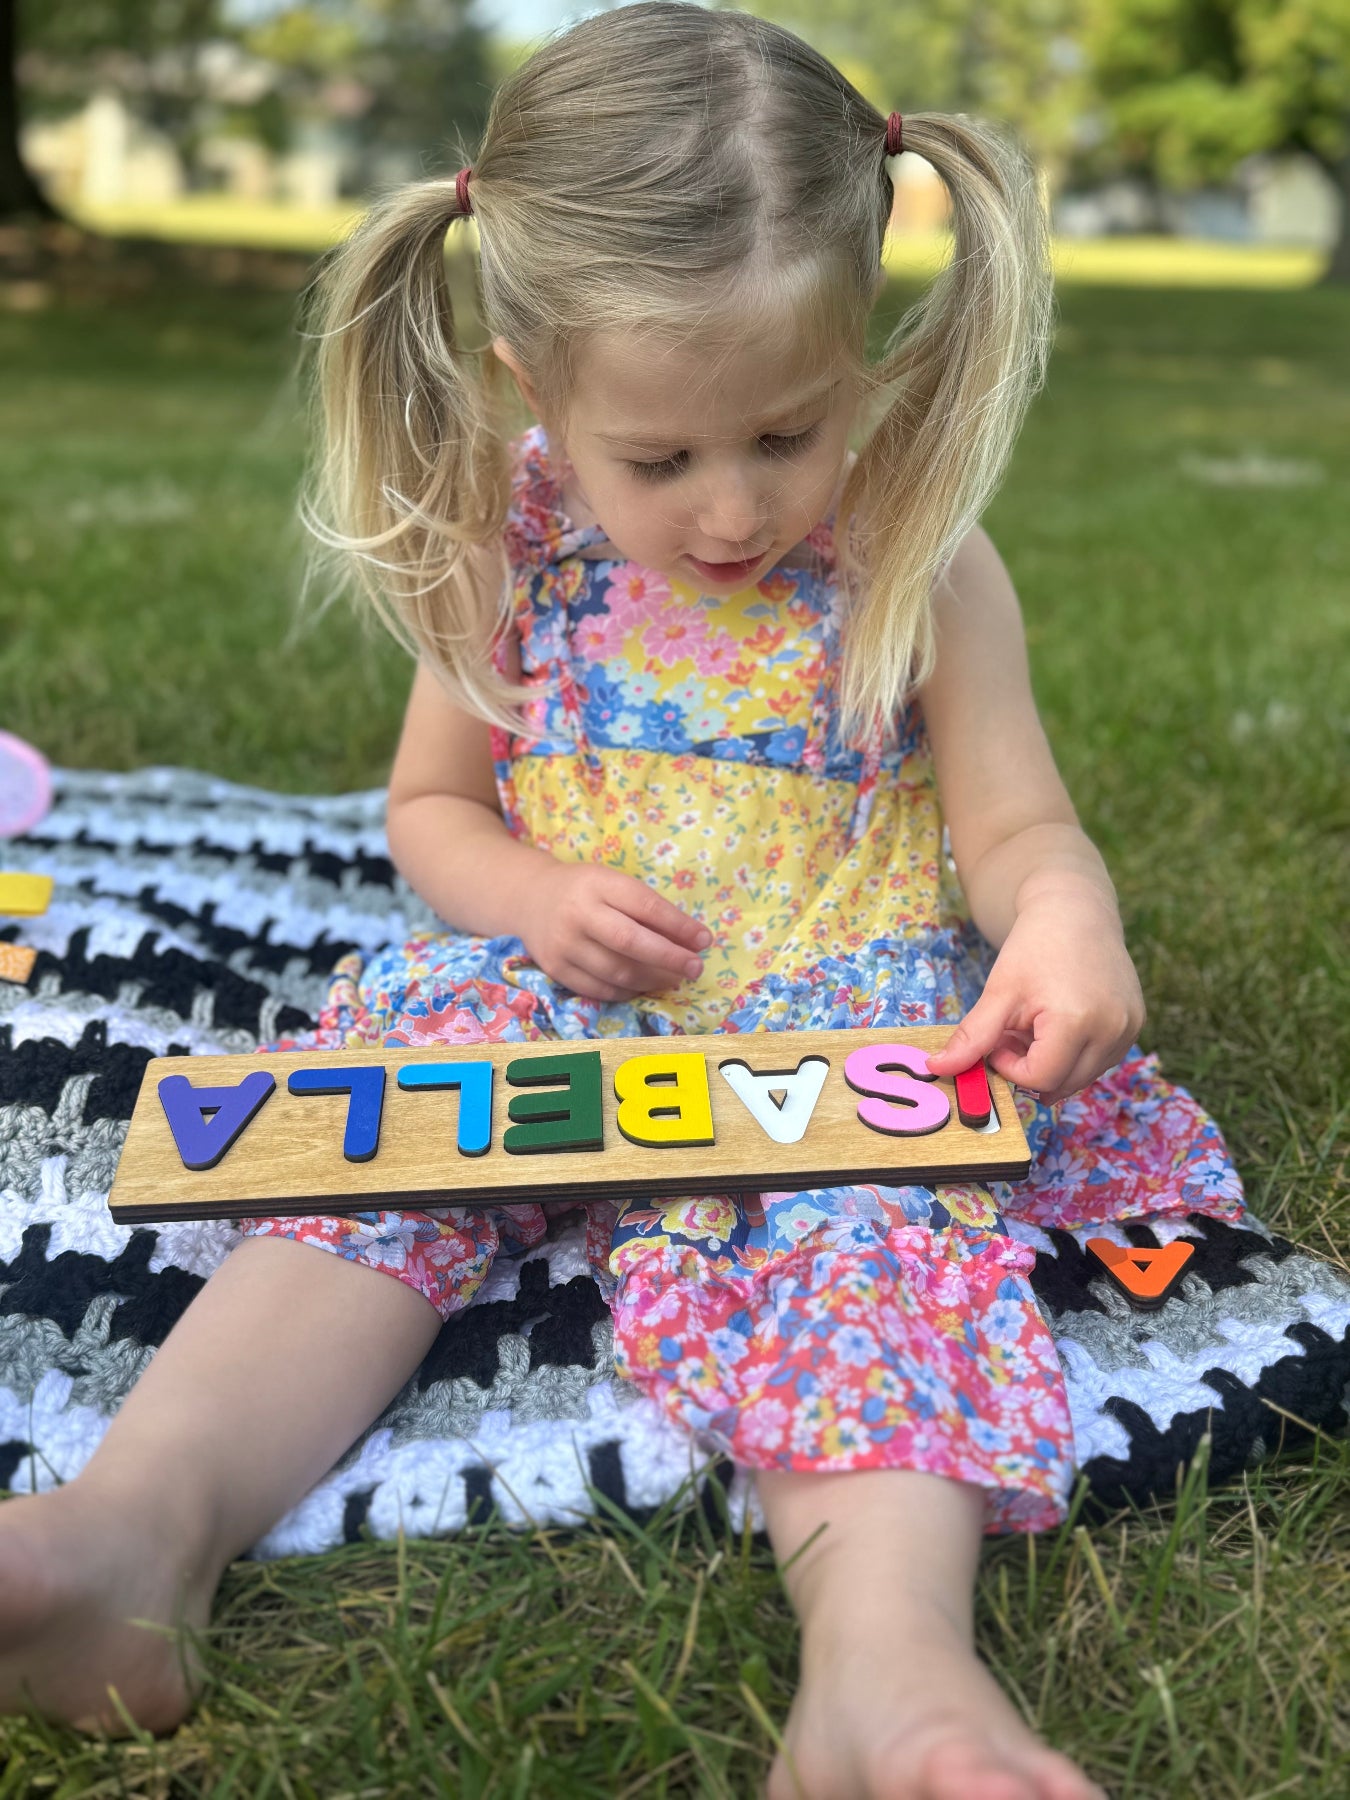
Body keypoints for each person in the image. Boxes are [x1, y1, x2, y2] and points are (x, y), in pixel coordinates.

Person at [0, 5, 1248, 1793]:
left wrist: (1068, 919)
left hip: (839, 1020)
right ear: (535, 387)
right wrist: (529, 895)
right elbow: (427, 809)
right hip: (558, 997)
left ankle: (883, 1680)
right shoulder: (504, 543)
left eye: (786, 434)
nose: (734, 508)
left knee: (882, 1238)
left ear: (864, 345)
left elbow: (1022, 831)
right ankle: (133, 1533)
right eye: (661, 460)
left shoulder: (920, 556)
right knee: (383, 1142)